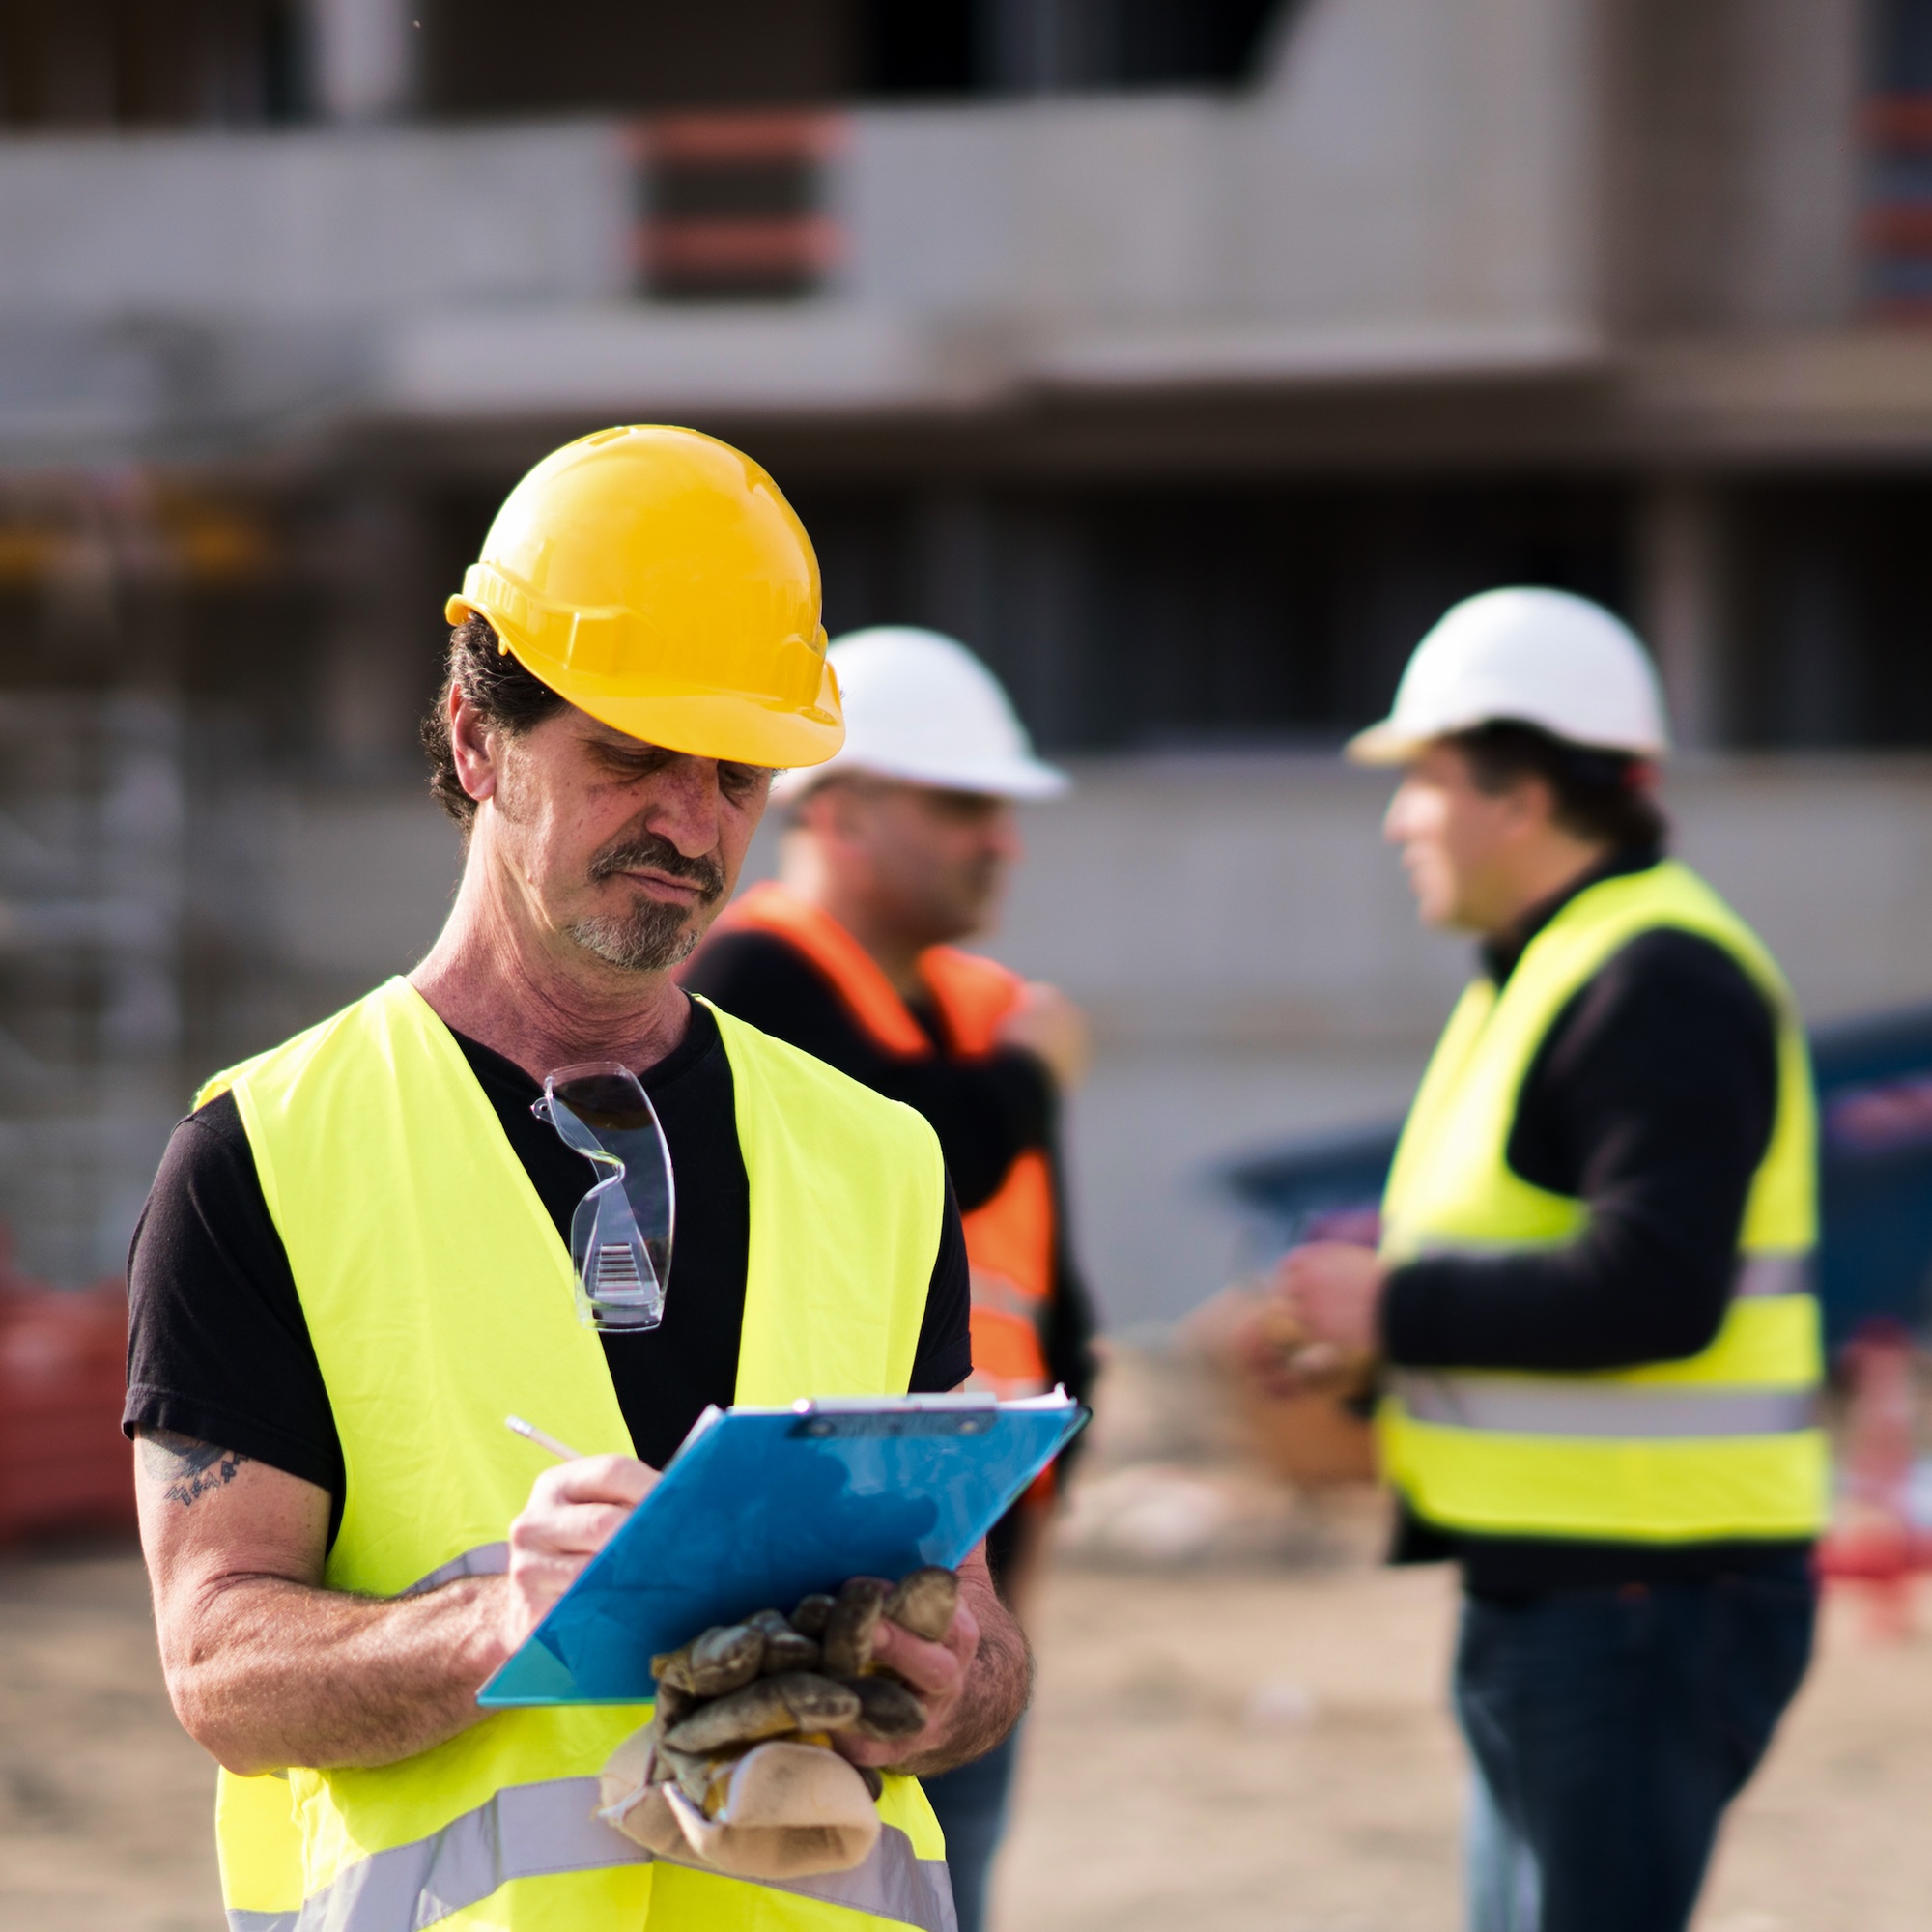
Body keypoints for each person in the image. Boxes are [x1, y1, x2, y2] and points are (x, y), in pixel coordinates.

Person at [122, 427, 1031, 1932]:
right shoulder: (266, 1158)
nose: (692, 821)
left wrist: (951, 1688)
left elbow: (980, 1631)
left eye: (736, 774)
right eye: (629, 755)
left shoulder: (877, 1159)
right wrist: (504, 1620)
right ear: (477, 743)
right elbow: (218, 1667)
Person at [1270, 588, 1824, 1932]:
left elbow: (1659, 1284)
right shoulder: (1548, 969)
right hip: (1580, 1584)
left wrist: (1392, 1304)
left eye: (1426, 780)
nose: (1401, 817)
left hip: (1642, 1590)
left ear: (1520, 792)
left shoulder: (1654, 980)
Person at [684, 626, 1099, 1932]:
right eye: (963, 803)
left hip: (961, 1583)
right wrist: (1030, 1081)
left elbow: (1041, 1290)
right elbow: (942, 1154)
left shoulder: (975, 1009)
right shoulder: (755, 979)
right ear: (840, 807)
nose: (1003, 840)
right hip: (816, 1595)